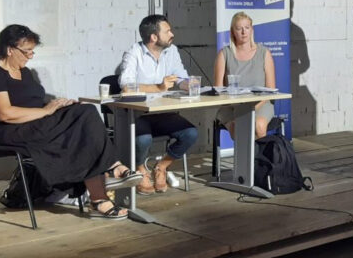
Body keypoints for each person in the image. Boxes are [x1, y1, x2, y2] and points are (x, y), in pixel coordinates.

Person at [0, 24, 141, 220]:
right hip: (14, 131)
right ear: (9, 49)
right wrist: (46, 111)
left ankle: (99, 197)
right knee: (85, 114)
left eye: (32, 51)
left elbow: (34, 103)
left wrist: (58, 106)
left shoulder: (25, 72)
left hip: (37, 124)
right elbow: (4, 113)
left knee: (83, 119)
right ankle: (110, 171)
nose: (30, 56)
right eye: (27, 51)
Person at [118, 15, 199, 195]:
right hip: (138, 114)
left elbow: (181, 78)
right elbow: (126, 86)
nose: (172, 34)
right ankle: (140, 169)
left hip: (162, 112)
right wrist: (158, 87)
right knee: (143, 139)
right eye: (167, 31)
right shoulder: (134, 53)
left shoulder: (172, 51)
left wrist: (190, 84)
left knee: (190, 133)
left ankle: (161, 167)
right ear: (154, 37)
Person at [213, 11, 276, 139]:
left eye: (247, 28)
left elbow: (271, 90)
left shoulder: (264, 53)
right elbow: (218, 90)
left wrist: (251, 108)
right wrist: (238, 107)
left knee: (259, 126)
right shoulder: (224, 54)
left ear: (251, 30)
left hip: (260, 103)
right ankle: (244, 153)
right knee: (237, 127)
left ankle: (258, 153)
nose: (243, 32)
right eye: (239, 28)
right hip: (231, 106)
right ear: (232, 32)